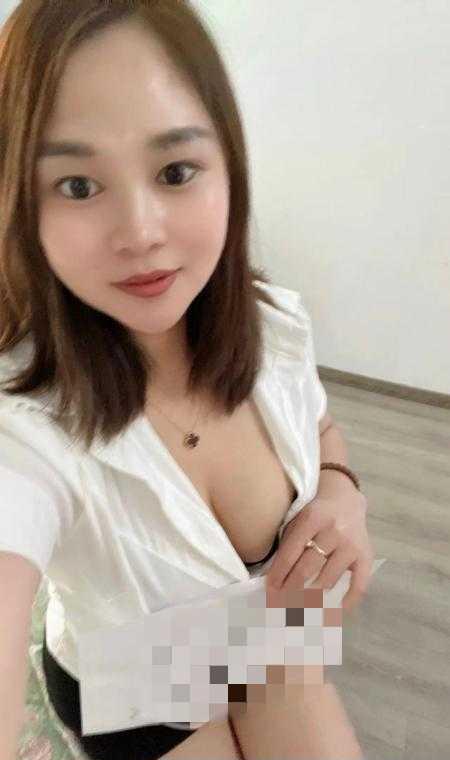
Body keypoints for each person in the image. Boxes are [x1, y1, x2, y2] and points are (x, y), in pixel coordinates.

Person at [0, 1, 364, 758]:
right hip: (133, 688)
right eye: (77, 185)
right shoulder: (23, 421)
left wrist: (340, 490)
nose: (140, 233)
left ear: (228, 166)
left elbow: (319, 423)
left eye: (175, 172)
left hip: (268, 636)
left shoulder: (274, 325)